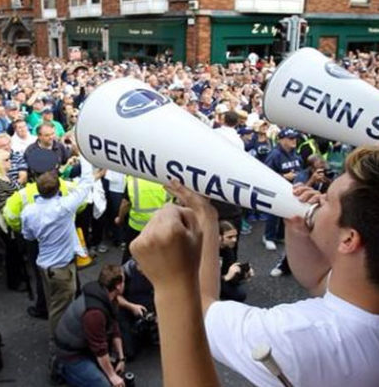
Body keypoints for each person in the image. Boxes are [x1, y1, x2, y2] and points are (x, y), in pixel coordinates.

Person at [131, 145, 379, 387]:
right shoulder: (364, 297)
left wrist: (173, 280)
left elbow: (201, 308)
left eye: (327, 201)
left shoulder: (295, 336)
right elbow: (318, 280)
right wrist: (299, 231)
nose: (318, 198)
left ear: (348, 240)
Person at [21, 162, 92, 338]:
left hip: (45, 265)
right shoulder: (64, 207)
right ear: (58, 188)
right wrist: (85, 158)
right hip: (61, 268)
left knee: (53, 301)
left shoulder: (28, 212)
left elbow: (28, 236)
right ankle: (59, 342)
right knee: (60, 309)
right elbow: (86, 183)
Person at [54, 264, 126, 387]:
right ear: (118, 286)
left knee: (110, 368)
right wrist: (112, 376)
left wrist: (121, 358)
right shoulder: (94, 314)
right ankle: (62, 369)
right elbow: (100, 350)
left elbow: (114, 327)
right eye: (124, 281)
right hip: (71, 356)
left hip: (85, 346)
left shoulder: (109, 298)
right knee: (106, 384)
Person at [262, 128, 302, 251]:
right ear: (281, 140)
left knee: (286, 213)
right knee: (274, 214)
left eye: (295, 138)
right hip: (277, 189)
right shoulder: (275, 154)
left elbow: (300, 168)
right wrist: (284, 176)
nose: (294, 140)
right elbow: (265, 174)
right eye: (290, 138)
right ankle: (268, 237)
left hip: (292, 188)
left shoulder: (295, 153)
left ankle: (280, 235)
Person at [115, 176, 170, 263]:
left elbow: (125, 204)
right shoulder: (165, 179)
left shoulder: (133, 179)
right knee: (154, 254)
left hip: (136, 226)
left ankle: (126, 270)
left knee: (130, 252)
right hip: (159, 226)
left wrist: (120, 219)